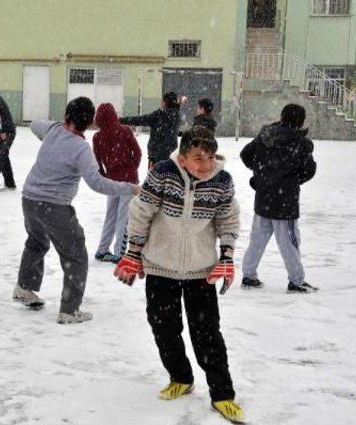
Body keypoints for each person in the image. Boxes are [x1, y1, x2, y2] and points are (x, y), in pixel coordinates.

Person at [114, 126, 245, 423]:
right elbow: (141, 212)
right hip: (161, 267)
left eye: (210, 157)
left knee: (207, 334)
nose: (206, 164)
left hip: (201, 271)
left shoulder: (221, 181)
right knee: (164, 328)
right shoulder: (163, 173)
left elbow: (228, 219)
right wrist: (133, 251)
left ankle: (223, 395)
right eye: (199, 158)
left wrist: (226, 255)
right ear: (183, 158)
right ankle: (180, 377)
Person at [13, 97, 141, 324]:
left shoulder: (52, 129)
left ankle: (24, 287)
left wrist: (51, 131)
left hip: (29, 200)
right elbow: (98, 183)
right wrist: (130, 188)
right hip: (54, 206)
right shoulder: (81, 149)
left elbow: (34, 124)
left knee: (36, 242)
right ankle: (69, 311)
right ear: (90, 123)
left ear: (66, 116)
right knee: (76, 255)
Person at [240, 104, 317, 293]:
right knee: (289, 242)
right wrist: (292, 181)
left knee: (257, 239)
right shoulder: (300, 143)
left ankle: (248, 275)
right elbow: (309, 169)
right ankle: (296, 281)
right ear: (300, 121)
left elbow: (246, 155)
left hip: (264, 196)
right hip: (285, 202)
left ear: (282, 117)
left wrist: (261, 174)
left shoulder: (265, 136)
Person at [92, 103, 142, 264]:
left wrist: (105, 175)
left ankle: (102, 250)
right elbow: (138, 152)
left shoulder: (97, 137)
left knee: (110, 216)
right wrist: (132, 167)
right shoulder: (124, 131)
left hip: (111, 182)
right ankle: (119, 253)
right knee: (123, 218)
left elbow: (97, 161)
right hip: (128, 181)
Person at [119, 92, 180, 169]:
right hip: (171, 157)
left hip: (156, 157)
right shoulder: (177, 115)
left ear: (165, 102)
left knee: (153, 179)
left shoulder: (159, 115)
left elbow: (140, 120)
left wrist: (120, 120)